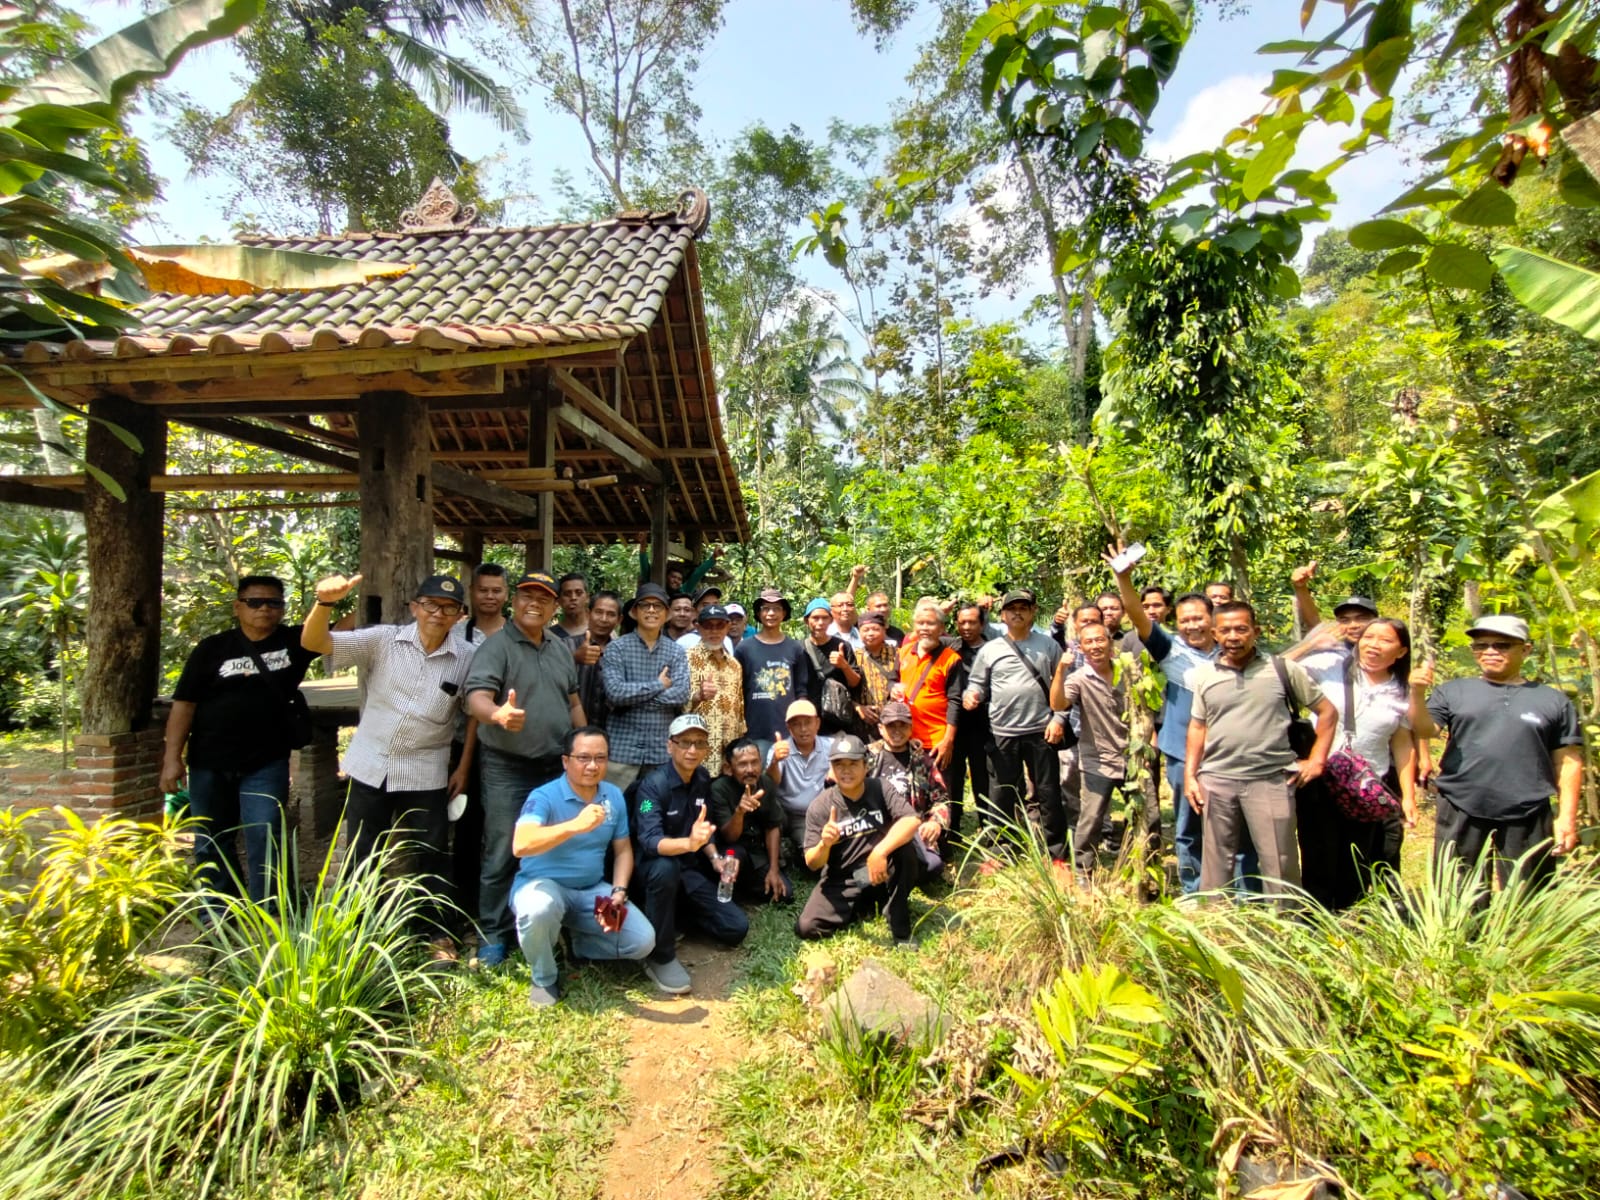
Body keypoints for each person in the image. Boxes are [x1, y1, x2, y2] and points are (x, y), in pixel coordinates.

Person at [301, 572, 475, 950]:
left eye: (449, 607)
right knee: (362, 851)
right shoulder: (382, 641)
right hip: (371, 765)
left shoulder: (467, 658)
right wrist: (325, 603)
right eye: (431, 604)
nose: (438, 613)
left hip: (426, 771)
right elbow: (316, 643)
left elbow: (473, 713)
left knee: (431, 855)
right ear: (415, 607)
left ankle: (436, 933)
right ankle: (354, 930)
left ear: (460, 615)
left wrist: (462, 768)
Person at [161, 575, 321, 907]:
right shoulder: (212, 649)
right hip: (209, 760)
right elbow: (184, 704)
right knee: (210, 838)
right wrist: (171, 757)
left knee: (265, 832)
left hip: (266, 760)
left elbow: (347, 626)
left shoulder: (296, 641)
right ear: (238, 607)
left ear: (282, 608)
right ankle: (219, 909)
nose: (264, 609)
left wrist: (331, 599)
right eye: (255, 602)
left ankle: (269, 910)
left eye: (274, 603)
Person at [1108, 563, 1255, 895]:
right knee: (1190, 827)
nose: (1193, 625)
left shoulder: (1233, 652)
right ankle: (1196, 891)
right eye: (1185, 620)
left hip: (1233, 754)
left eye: (1199, 618)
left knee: (1240, 827)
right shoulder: (1170, 650)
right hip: (1181, 754)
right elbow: (1136, 613)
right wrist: (1124, 578)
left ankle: (1247, 895)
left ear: (1213, 619)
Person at [464, 571, 585, 967]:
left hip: (555, 765)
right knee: (501, 849)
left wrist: (585, 749)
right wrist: (498, 713)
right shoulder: (497, 646)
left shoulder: (558, 646)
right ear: (515, 600)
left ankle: (545, 925)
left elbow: (572, 702)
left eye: (544, 598)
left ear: (554, 607)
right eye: (528, 595)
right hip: (507, 766)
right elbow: (476, 698)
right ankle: (493, 933)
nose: (535, 603)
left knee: (552, 846)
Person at [1410, 614, 1583, 891]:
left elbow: (1568, 761)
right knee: (1457, 891)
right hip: (1461, 803)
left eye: (1501, 645)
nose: (1489, 652)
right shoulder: (1454, 691)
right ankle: (1463, 936)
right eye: (1481, 646)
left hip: (1528, 807)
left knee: (1530, 892)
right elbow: (1424, 729)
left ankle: (1521, 935)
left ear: (1525, 649)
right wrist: (1417, 693)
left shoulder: (1552, 701)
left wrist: (1567, 817)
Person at [1185, 601, 1337, 901]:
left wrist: (1317, 760)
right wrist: (1191, 775)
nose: (1233, 636)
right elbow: (1198, 727)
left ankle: (1286, 931)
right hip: (1217, 780)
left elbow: (1327, 712)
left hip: (1271, 780)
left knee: (1279, 862)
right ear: (1214, 634)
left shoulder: (1282, 670)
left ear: (1255, 631)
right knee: (1216, 865)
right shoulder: (1205, 676)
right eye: (1225, 630)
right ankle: (1215, 929)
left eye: (1241, 629)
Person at [509, 726, 655, 1007]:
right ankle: (544, 975)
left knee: (642, 941)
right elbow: (521, 843)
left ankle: (576, 944)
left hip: (591, 891)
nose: (593, 766)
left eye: (601, 758)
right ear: (566, 761)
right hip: (543, 887)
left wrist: (619, 890)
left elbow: (623, 849)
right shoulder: (544, 796)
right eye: (583, 758)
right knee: (539, 908)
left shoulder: (612, 796)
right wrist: (575, 826)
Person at [1296, 617, 1418, 909]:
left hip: (1366, 784)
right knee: (1318, 855)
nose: (1374, 645)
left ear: (1401, 652)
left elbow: (1402, 744)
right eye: (1368, 637)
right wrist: (1310, 644)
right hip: (1320, 779)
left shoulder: (1401, 690)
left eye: (1385, 640)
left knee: (1357, 857)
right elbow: (1275, 668)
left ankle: (1351, 920)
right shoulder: (1331, 668)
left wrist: (1409, 796)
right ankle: (1315, 921)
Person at [633, 714, 750, 994]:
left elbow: (704, 827)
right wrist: (689, 844)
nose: (692, 750)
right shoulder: (651, 788)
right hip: (652, 871)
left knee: (735, 928)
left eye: (699, 743)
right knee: (665, 868)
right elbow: (650, 841)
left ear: (707, 749)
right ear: (669, 746)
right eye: (685, 742)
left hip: (689, 868)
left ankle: (677, 918)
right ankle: (660, 955)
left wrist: (714, 858)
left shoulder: (701, 778)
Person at [965, 589, 1069, 859]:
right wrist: (971, 695)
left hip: (1041, 730)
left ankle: (1056, 853)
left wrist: (1059, 718)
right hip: (1002, 733)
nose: (1017, 613)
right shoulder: (991, 649)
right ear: (1002, 615)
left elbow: (1064, 687)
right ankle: (1001, 850)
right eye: (1012, 609)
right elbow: (976, 683)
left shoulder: (1048, 646)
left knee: (1048, 794)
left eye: (1024, 607)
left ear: (1034, 611)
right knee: (1001, 795)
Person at [795, 734, 924, 944]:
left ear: (866, 766)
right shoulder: (820, 806)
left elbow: (911, 820)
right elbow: (812, 862)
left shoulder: (880, 788)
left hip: (880, 868)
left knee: (906, 850)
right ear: (832, 769)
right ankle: (865, 904)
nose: (846, 771)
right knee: (808, 927)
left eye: (853, 764)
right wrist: (824, 844)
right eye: (839, 765)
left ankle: (899, 927)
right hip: (846, 879)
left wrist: (879, 852)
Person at [1051, 621, 1146, 878]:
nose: (1095, 645)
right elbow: (1058, 702)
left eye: (1099, 640)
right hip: (1097, 759)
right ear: (1081, 647)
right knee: (1091, 819)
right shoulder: (1079, 679)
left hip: (1133, 756)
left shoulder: (1130, 673)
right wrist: (1060, 669)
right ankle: (1083, 872)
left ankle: (1140, 867)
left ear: (1110, 643)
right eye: (1088, 642)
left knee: (1145, 815)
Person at [447, 562, 508, 934]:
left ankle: (501, 913)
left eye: (496, 590)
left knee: (502, 828)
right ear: (472, 592)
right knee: (466, 827)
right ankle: (463, 907)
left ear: (506, 594)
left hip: (505, 748)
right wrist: (462, 765)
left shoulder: (519, 634)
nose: (489, 596)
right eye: (483, 590)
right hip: (458, 744)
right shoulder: (456, 635)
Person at [601, 582, 691, 793]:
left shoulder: (676, 652)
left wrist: (633, 699)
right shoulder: (617, 648)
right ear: (634, 612)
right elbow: (614, 693)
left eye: (658, 606)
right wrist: (658, 685)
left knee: (648, 810)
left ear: (667, 614)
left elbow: (681, 694)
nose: (651, 610)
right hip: (621, 754)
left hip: (659, 752)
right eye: (645, 605)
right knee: (613, 812)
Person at [868, 699, 949, 876]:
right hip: (873, 827)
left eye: (902, 726)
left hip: (910, 828)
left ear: (911, 728)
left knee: (932, 866)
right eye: (891, 726)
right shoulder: (865, 757)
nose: (897, 731)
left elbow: (942, 800)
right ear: (881, 729)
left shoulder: (923, 761)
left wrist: (935, 822)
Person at [709, 736, 790, 902]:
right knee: (733, 858)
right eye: (742, 764)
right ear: (729, 768)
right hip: (732, 850)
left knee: (785, 894)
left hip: (757, 852)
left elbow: (772, 827)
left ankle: (746, 889)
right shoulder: (719, 789)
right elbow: (729, 837)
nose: (750, 769)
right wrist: (739, 812)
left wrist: (773, 869)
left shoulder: (765, 783)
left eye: (755, 762)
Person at [734, 588, 812, 740]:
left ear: (784, 614)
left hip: (788, 731)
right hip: (753, 730)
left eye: (776, 609)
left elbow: (801, 691)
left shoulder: (795, 648)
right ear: (758, 613)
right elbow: (737, 691)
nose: (771, 613)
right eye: (766, 609)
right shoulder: (744, 649)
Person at [945, 602, 993, 848]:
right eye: (962, 622)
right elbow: (919, 637)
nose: (966, 627)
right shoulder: (950, 647)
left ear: (982, 623)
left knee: (982, 776)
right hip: (954, 725)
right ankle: (952, 829)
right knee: (953, 778)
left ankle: (988, 826)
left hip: (983, 725)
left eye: (972, 622)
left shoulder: (992, 649)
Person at [895, 600, 962, 772]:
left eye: (930, 623)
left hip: (936, 741)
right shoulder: (904, 652)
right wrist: (892, 689)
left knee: (942, 795)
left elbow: (955, 702)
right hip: (906, 738)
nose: (925, 628)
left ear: (941, 628)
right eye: (920, 623)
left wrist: (948, 740)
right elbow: (891, 681)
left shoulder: (951, 659)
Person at [768, 698, 834, 856]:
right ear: (788, 728)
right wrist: (775, 761)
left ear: (817, 723)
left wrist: (836, 771)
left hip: (819, 813)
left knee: (824, 850)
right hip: (789, 814)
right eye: (796, 724)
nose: (803, 729)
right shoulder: (780, 748)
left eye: (808, 722)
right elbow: (771, 782)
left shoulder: (831, 746)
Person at [686, 604, 744, 762]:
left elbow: (740, 712)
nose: (714, 631)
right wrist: (697, 696)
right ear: (698, 627)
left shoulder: (735, 666)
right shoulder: (685, 659)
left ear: (727, 627)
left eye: (719, 625)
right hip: (697, 753)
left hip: (728, 755)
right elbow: (673, 705)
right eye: (708, 626)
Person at [802, 596, 864, 736]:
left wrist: (844, 666)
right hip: (809, 723)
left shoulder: (842, 646)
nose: (820, 623)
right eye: (815, 618)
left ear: (831, 620)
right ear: (807, 621)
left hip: (838, 723)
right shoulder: (799, 649)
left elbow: (855, 683)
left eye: (824, 618)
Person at [573, 589, 620, 731]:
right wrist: (575, 657)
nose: (604, 619)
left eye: (611, 614)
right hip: (570, 732)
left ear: (619, 620)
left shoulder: (623, 651)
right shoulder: (566, 645)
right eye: (599, 612)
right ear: (588, 613)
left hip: (612, 734)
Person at [854, 610, 899, 729]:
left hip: (896, 720)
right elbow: (846, 691)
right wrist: (859, 707)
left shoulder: (898, 653)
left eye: (875, 629)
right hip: (867, 723)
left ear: (884, 630)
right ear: (859, 633)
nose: (870, 633)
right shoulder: (855, 656)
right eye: (865, 630)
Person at [551, 572, 590, 641]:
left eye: (579, 593)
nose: (573, 598)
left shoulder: (601, 631)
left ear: (587, 597)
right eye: (567, 594)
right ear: (559, 600)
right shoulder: (551, 637)